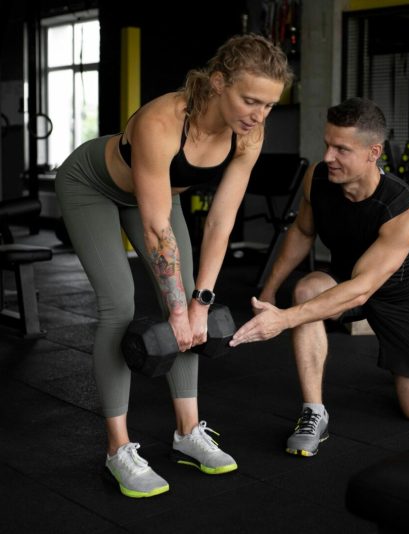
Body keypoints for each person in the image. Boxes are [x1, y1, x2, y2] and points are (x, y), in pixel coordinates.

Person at [54, 34, 291, 497]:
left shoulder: (250, 133)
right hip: (92, 186)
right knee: (119, 304)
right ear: (219, 82)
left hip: (158, 199)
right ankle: (118, 448)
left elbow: (222, 221)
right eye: (250, 100)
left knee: (184, 297)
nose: (258, 115)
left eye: (269, 105)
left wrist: (198, 302)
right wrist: (179, 312)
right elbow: (157, 229)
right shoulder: (162, 122)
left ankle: (187, 432)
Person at [229, 97, 409, 457]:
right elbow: (302, 231)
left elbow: (361, 290)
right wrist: (270, 291)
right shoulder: (318, 178)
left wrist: (282, 321)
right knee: (307, 288)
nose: (328, 157)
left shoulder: (402, 209)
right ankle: (313, 411)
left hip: (392, 292)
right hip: (342, 276)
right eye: (328, 144)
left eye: (342, 149)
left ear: (373, 152)